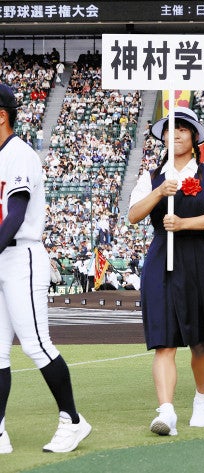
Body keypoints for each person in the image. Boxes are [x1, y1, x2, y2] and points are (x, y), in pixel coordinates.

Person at [128, 107, 204, 436]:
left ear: (193, 138)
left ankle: (202, 400)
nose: (174, 136)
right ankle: (167, 411)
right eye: (169, 131)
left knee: (200, 339)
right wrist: (160, 192)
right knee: (164, 341)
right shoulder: (151, 177)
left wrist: (185, 222)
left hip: (196, 255)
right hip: (161, 257)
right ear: (162, 137)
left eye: (182, 131)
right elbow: (133, 214)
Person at [0, 83, 92, 454]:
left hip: (22, 256)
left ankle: (72, 420)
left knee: (37, 345)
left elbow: (16, 215)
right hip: (3, 258)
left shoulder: (19, 153)